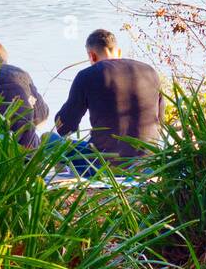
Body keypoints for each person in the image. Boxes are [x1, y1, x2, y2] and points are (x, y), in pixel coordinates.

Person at [49, 28, 163, 176]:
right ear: (119, 52)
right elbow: (160, 120)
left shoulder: (87, 76)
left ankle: (65, 182)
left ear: (92, 56)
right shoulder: (150, 71)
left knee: (49, 140)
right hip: (148, 165)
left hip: (104, 169)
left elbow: (65, 127)